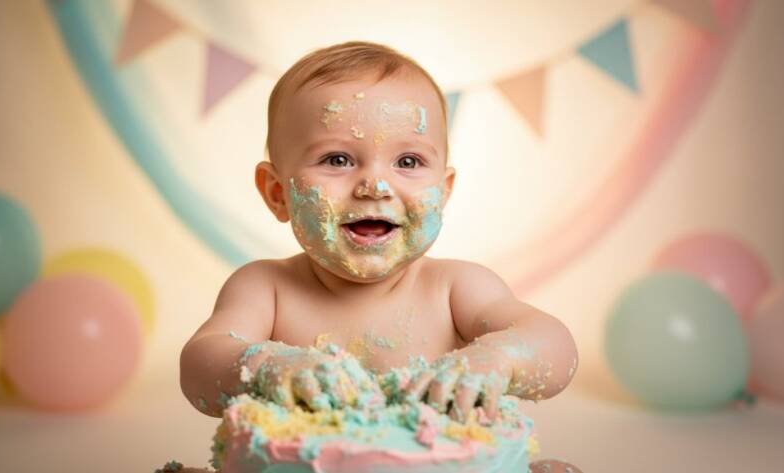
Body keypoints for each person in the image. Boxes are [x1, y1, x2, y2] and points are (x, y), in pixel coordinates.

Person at [180, 39, 578, 441]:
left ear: (444, 191)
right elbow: (199, 366)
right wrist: (266, 365)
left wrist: (498, 358)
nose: (376, 186)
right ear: (277, 193)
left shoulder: (455, 288)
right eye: (337, 159)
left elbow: (554, 345)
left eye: (408, 162)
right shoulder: (266, 289)